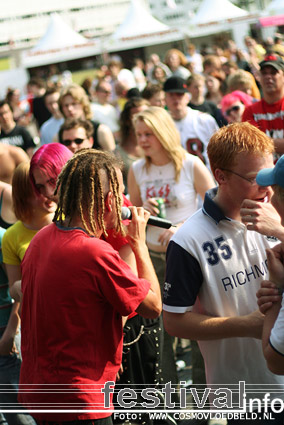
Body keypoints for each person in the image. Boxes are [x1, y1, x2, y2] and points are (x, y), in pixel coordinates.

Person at [19, 149, 161, 424]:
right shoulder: (95, 252)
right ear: (110, 201)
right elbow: (153, 306)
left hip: (41, 394)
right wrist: (139, 245)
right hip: (80, 401)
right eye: (119, 194)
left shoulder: (40, 239)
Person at [163, 122, 284, 423]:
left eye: (270, 177)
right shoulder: (188, 239)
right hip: (245, 395)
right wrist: (245, 325)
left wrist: (280, 229)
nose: (267, 189)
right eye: (256, 179)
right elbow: (174, 322)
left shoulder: (277, 209)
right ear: (220, 176)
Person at [164, 76, 218, 170]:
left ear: (187, 97)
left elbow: (221, 151)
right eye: (171, 95)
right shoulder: (161, 124)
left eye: (179, 94)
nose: (175, 99)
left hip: (207, 177)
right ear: (165, 99)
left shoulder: (204, 120)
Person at [242, 54, 284, 154]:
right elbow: (251, 148)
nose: (268, 77)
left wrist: (260, 143)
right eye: (264, 73)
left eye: (274, 73)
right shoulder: (250, 111)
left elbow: (256, 145)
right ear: (259, 77)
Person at [59, 83, 116, 151]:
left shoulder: (101, 131)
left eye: (74, 104)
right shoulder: (59, 136)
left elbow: (115, 159)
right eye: (66, 105)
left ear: (83, 104)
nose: (70, 109)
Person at [114, 97, 149, 193]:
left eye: (146, 115)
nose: (143, 120)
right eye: (137, 116)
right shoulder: (118, 153)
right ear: (127, 121)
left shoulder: (159, 148)